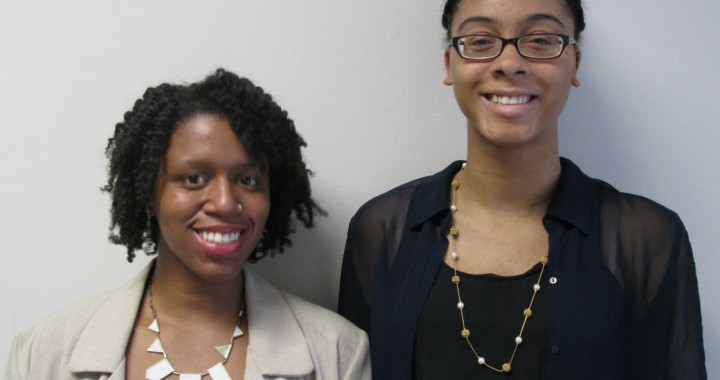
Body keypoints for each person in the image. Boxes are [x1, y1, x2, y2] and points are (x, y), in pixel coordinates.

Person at [338, 1, 706, 379]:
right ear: (449, 64)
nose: (509, 63)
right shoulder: (384, 228)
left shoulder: (643, 237)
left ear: (574, 64)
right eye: (480, 41)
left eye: (541, 40)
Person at [6, 69, 370, 380]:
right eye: (194, 178)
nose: (226, 203)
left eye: (247, 180)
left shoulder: (338, 352)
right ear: (149, 193)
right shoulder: (41, 352)